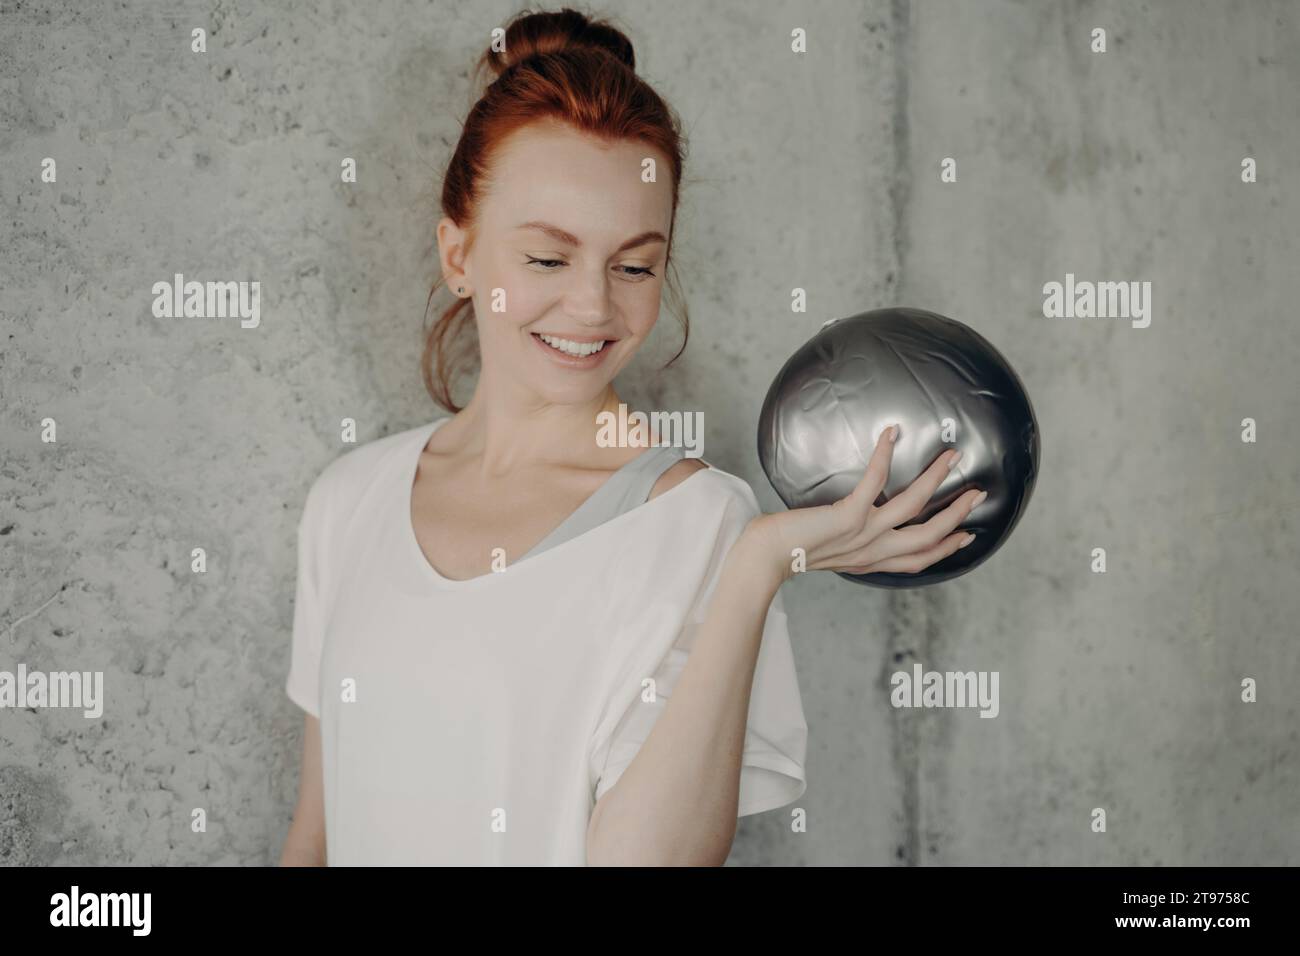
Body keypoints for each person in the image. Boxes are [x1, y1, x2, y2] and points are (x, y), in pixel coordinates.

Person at [279, 6, 984, 867]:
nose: (594, 307)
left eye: (635, 265)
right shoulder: (348, 503)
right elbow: (313, 841)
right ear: (458, 256)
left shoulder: (700, 523)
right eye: (548, 258)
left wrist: (758, 565)